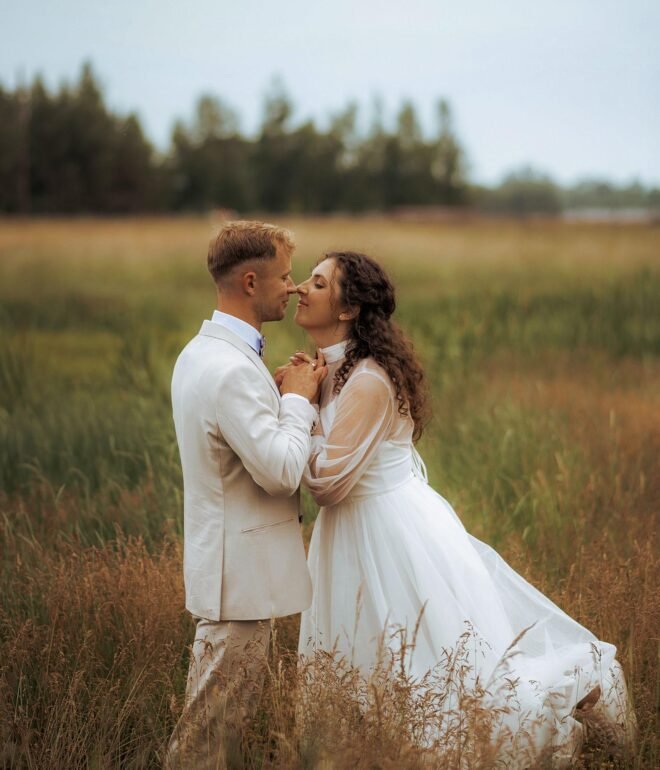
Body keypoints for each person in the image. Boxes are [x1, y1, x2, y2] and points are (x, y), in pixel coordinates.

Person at [290, 250, 635, 768]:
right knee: (364, 655)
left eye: (317, 282)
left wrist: (293, 407)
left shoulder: (368, 381)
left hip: (387, 535)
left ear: (347, 308)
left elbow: (327, 486)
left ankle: (551, 721)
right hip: (350, 534)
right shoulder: (331, 372)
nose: (300, 288)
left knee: (425, 663)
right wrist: (306, 392)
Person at [166, 221, 327, 770]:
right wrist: (300, 401)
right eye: (285, 277)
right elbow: (281, 472)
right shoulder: (233, 370)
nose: (295, 287)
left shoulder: (200, 353)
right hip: (240, 583)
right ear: (252, 282)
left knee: (212, 736)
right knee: (204, 746)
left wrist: (277, 397)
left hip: (229, 575)